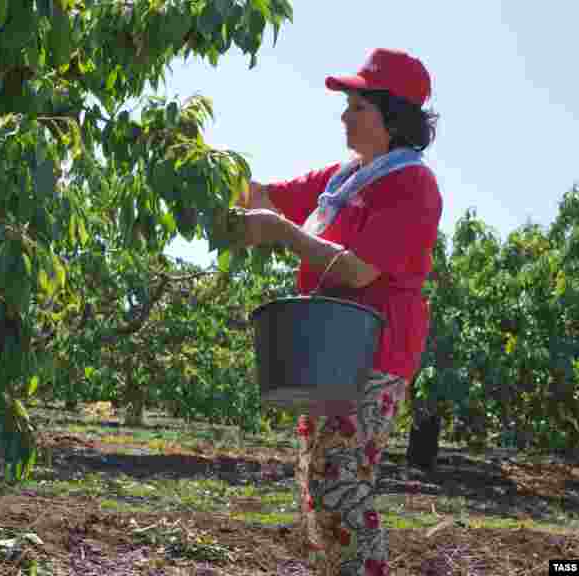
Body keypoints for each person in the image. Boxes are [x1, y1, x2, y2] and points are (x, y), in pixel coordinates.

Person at [235, 48, 442, 575]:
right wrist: (202, 170)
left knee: (340, 479)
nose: (345, 116)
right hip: (325, 346)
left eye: (357, 106)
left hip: (374, 353)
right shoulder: (344, 178)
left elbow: (359, 271)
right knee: (317, 482)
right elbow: (264, 195)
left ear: (391, 116)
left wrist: (282, 234)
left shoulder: (411, 184)